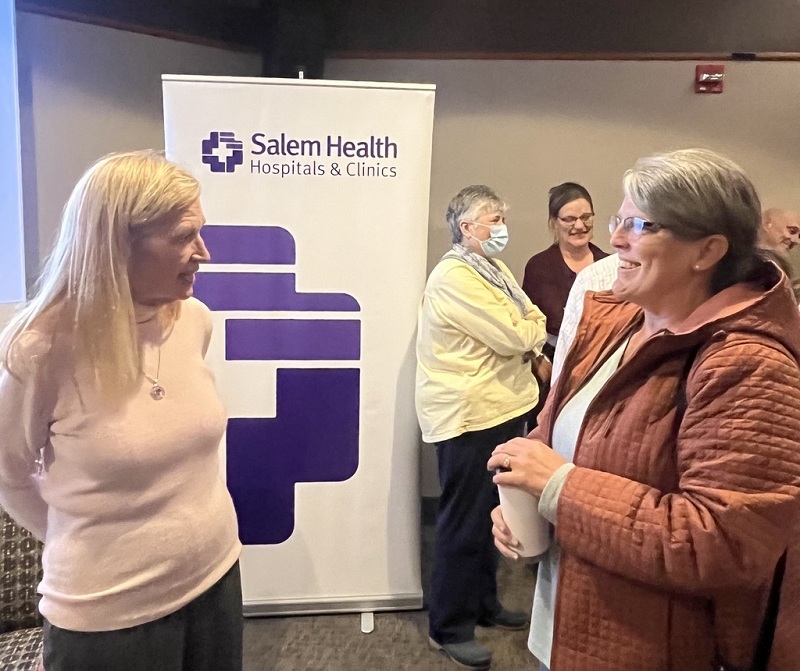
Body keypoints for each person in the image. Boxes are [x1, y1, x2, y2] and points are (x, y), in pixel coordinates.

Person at [488, 148, 800, 671]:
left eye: (640, 225)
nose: (614, 238)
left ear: (707, 250)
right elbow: (555, 428)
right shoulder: (620, 320)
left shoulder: (749, 364)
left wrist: (559, 488)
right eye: (619, 219)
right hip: (568, 620)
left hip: (650, 645)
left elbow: (722, 545)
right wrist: (524, 493)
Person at [0, 151, 242, 671]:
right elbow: (8, 476)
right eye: (184, 236)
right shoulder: (41, 350)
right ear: (115, 244)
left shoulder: (195, 320)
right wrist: (93, 548)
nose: (204, 253)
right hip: (108, 614)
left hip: (216, 579)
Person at [416, 185, 548, 670]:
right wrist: (530, 331)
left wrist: (529, 326)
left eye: (501, 217)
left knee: (496, 514)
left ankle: (483, 604)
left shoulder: (493, 268)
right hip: (470, 416)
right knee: (464, 521)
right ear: (466, 227)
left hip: (502, 408)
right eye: (493, 219)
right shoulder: (454, 276)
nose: (501, 227)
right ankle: (449, 626)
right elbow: (517, 332)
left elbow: (531, 313)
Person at [522, 182, 608, 360]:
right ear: (554, 222)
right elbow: (529, 325)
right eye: (569, 219)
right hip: (554, 364)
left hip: (605, 361)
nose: (579, 226)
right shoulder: (539, 268)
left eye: (586, 217)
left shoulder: (610, 265)